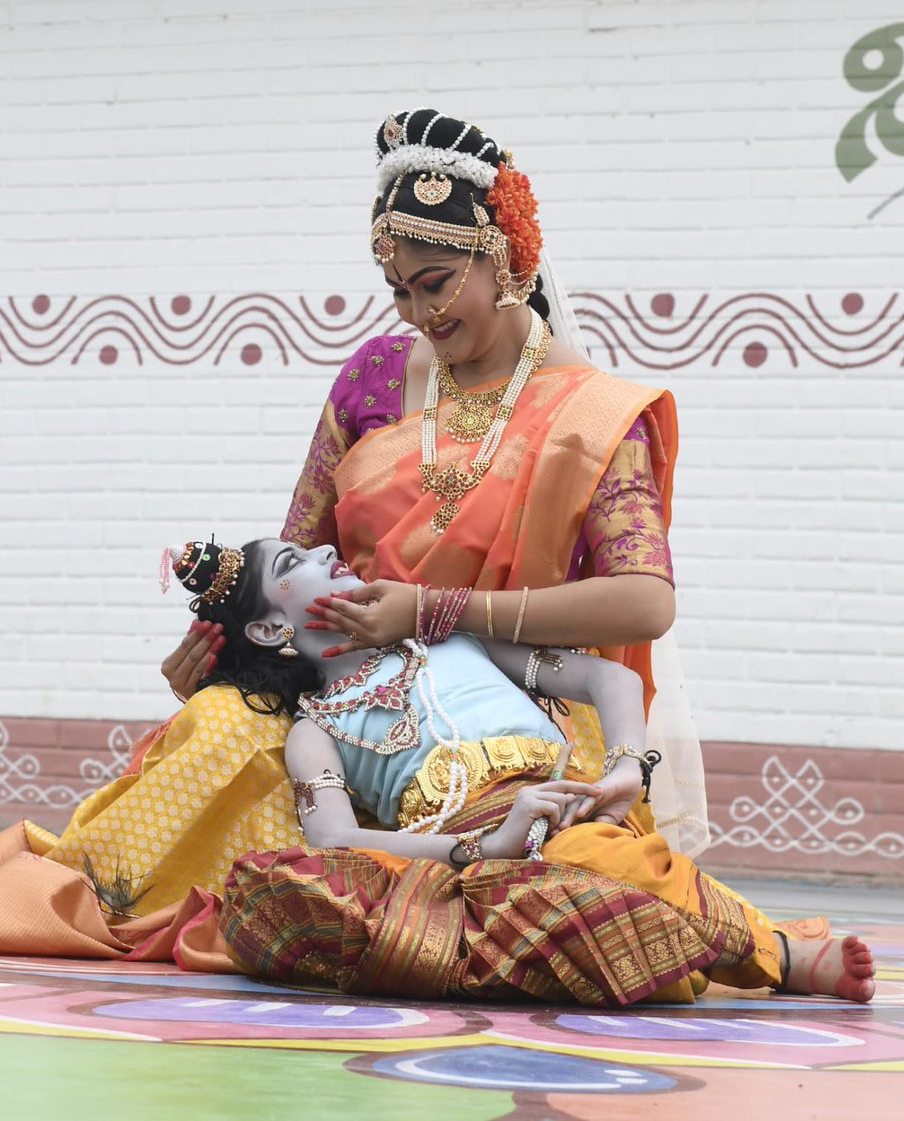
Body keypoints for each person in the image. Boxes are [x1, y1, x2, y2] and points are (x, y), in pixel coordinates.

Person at [158, 106, 707, 893]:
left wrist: (434, 611)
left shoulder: (588, 414)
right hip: (352, 714)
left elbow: (645, 603)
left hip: (516, 702)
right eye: (397, 291)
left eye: (436, 285)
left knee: (577, 871)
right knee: (210, 731)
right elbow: (292, 558)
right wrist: (222, 660)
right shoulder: (373, 379)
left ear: (504, 257)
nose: (418, 315)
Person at [170, 535, 876, 1007]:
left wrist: (629, 765)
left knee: (592, 852)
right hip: (479, 855)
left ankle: (776, 952)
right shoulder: (314, 729)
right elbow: (333, 840)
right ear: (269, 629)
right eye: (296, 559)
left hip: (569, 808)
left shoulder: (453, 639)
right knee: (564, 903)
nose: (327, 546)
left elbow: (609, 680)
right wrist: (489, 845)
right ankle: (689, 944)